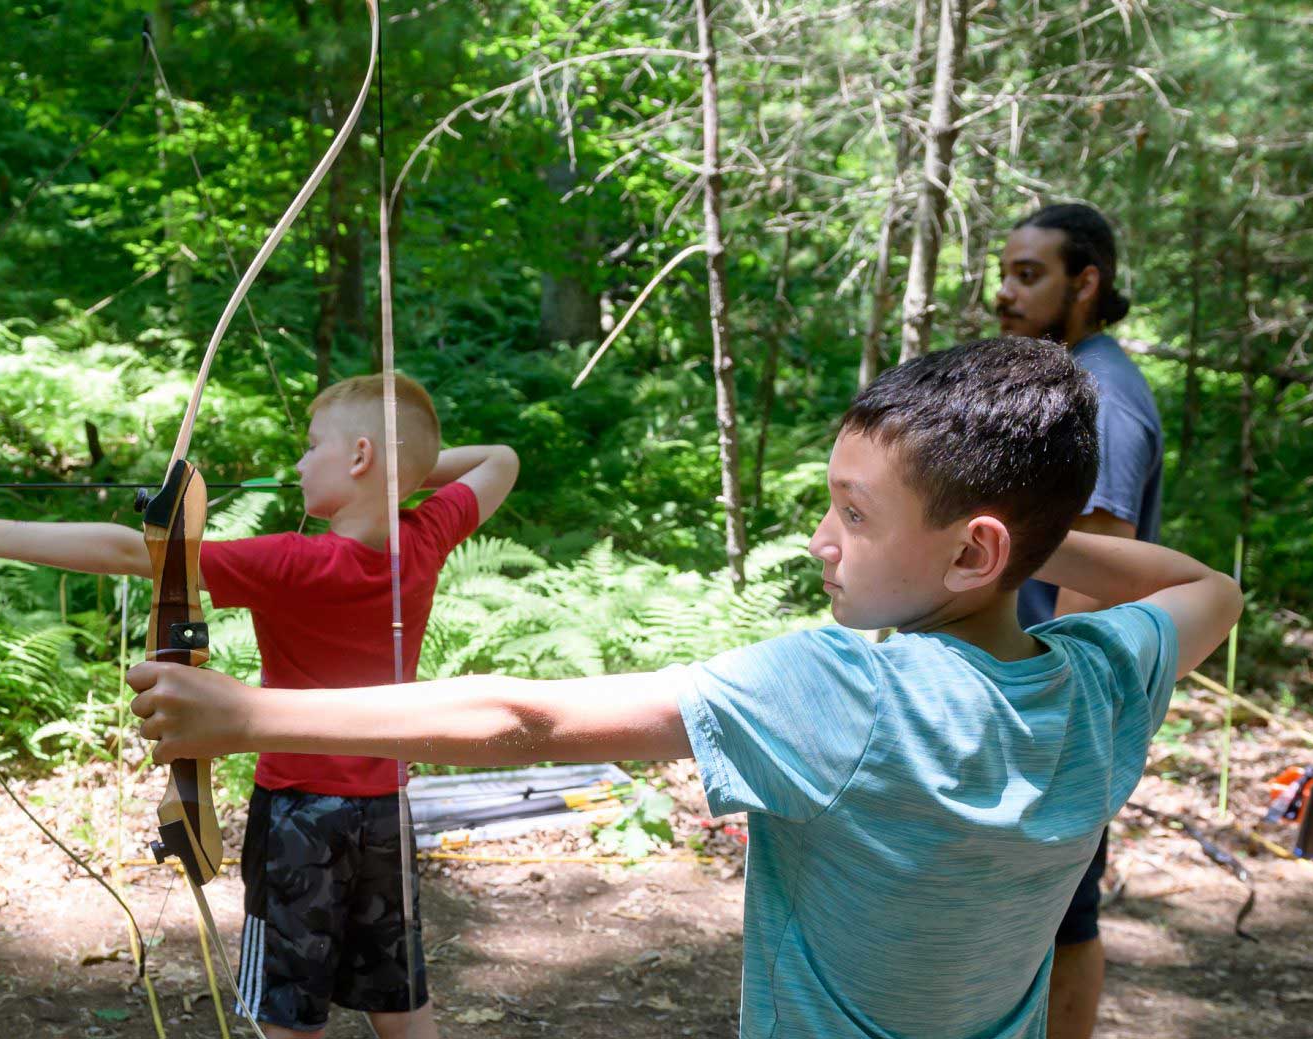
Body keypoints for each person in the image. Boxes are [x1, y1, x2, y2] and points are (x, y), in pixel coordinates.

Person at [128, 338, 1241, 1039]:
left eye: (854, 513)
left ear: (970, 552)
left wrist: (245, 713)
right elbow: (1209, 586)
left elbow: (526, 716)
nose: (820, 541)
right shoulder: (1104, 681)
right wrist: (1022, 536)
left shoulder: (845, 687)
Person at [0, 373, 518, 1039]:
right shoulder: (426, 536)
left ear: (360, 456)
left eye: (311, 447)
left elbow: (131, 551)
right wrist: (403, 473)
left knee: (288, 1011)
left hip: (300, 818)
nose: (299, 463)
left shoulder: (293, 562)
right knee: (399, 996)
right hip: (386, 809)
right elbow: (499, 459)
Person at [995, 202, 1166, 1039]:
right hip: (1029, 693)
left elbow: (1097, 568)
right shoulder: (1069, 383)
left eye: (1029, 275)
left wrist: (1051, 715)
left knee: (1064, 917)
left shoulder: (1105, 397)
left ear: (1086, 282)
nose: (1005, 292)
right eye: (1004, 273)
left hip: (1057, 704)